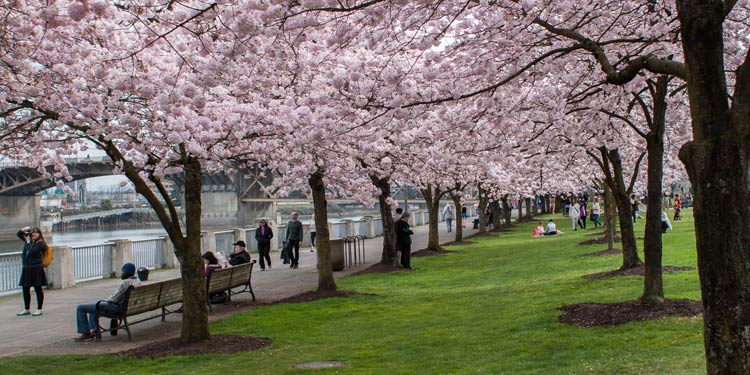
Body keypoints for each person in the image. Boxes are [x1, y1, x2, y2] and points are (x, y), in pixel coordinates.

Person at [74, 263, 141, 341]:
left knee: (81, 308)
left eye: (122, 271)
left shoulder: (125, 283)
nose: (121, 273)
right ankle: (95, 331)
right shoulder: (137, 281)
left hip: (117, 309)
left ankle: (86, 333)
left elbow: (113, 299)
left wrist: (107, 299)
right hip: (129, 308)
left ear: (126, 272)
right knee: (94, 306)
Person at [16, 226, 48, 317]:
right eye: (32, 232)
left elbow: (32, 251)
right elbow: (18, 234)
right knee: (25, 288)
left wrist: (28, 241)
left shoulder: (41, 243)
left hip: (36, 268)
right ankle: (27, 309)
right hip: (27, 268)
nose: (33, 234)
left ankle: (39, 309)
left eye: (36, 232)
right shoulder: (30, 241)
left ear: (39, 234)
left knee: (38, 288)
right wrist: (23, 229)